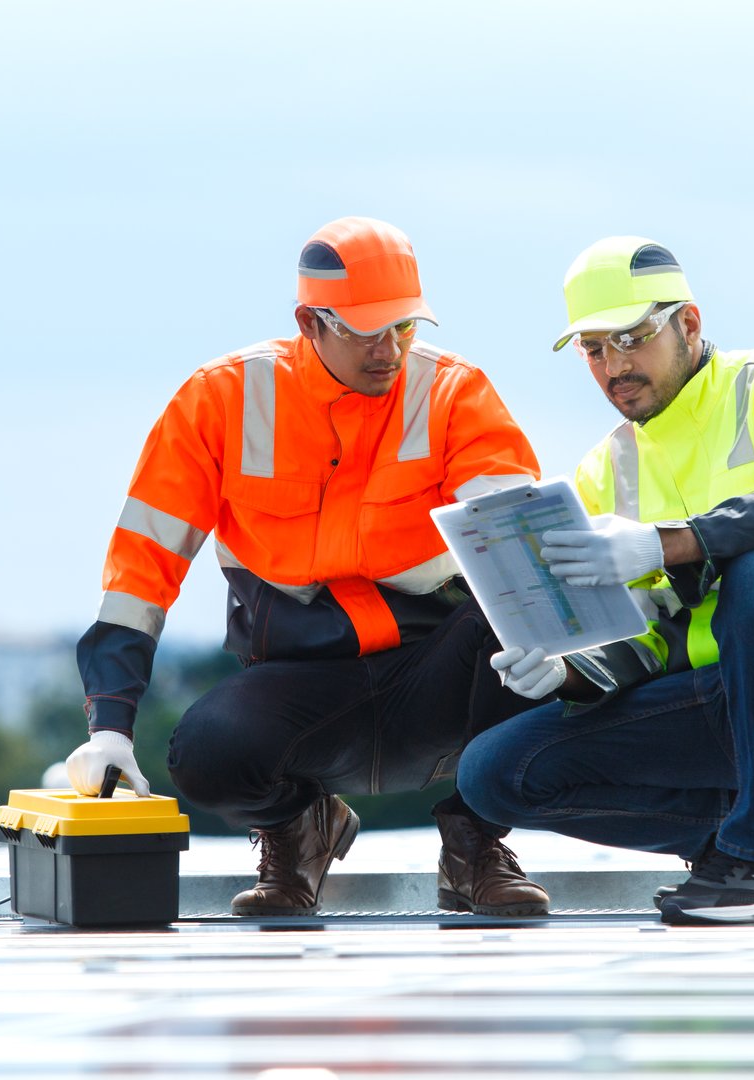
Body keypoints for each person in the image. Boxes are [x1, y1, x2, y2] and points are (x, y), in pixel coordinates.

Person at [64, 216, 551, 918]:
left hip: (436, 677)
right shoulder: (220, 401)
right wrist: (109, 727)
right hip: (303, 685)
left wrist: (544, 611)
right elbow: (142, 566)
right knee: (206, 753)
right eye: (366, 331)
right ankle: (299, 830)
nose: (390, 351)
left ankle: (475, 845)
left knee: (517, 612)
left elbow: (512, 530)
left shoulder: (453, 395)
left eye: (406, 329)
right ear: (309, 321)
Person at [458, 236, 754, 925]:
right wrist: (564, 674)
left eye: (632, 339)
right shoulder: (603, 472)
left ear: (689, 324)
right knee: (494, 773)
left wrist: (666, 544)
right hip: (714, 700)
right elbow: (636, 642)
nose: (615, 366)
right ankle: (731, 836)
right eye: (594, 349)